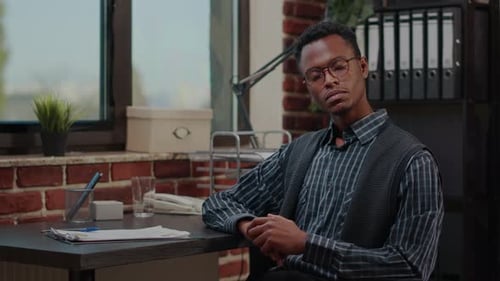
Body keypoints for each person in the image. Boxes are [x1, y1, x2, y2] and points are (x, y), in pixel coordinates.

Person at [202, 20, 443, 281]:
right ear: (308, 87)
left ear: (362, 67)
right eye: (316, 75)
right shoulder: (300, 152)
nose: (329, 81)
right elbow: (218, 203)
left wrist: (307, 244)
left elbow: (410, 269)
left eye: (338, 67)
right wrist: (250, 227)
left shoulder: (412, 161)